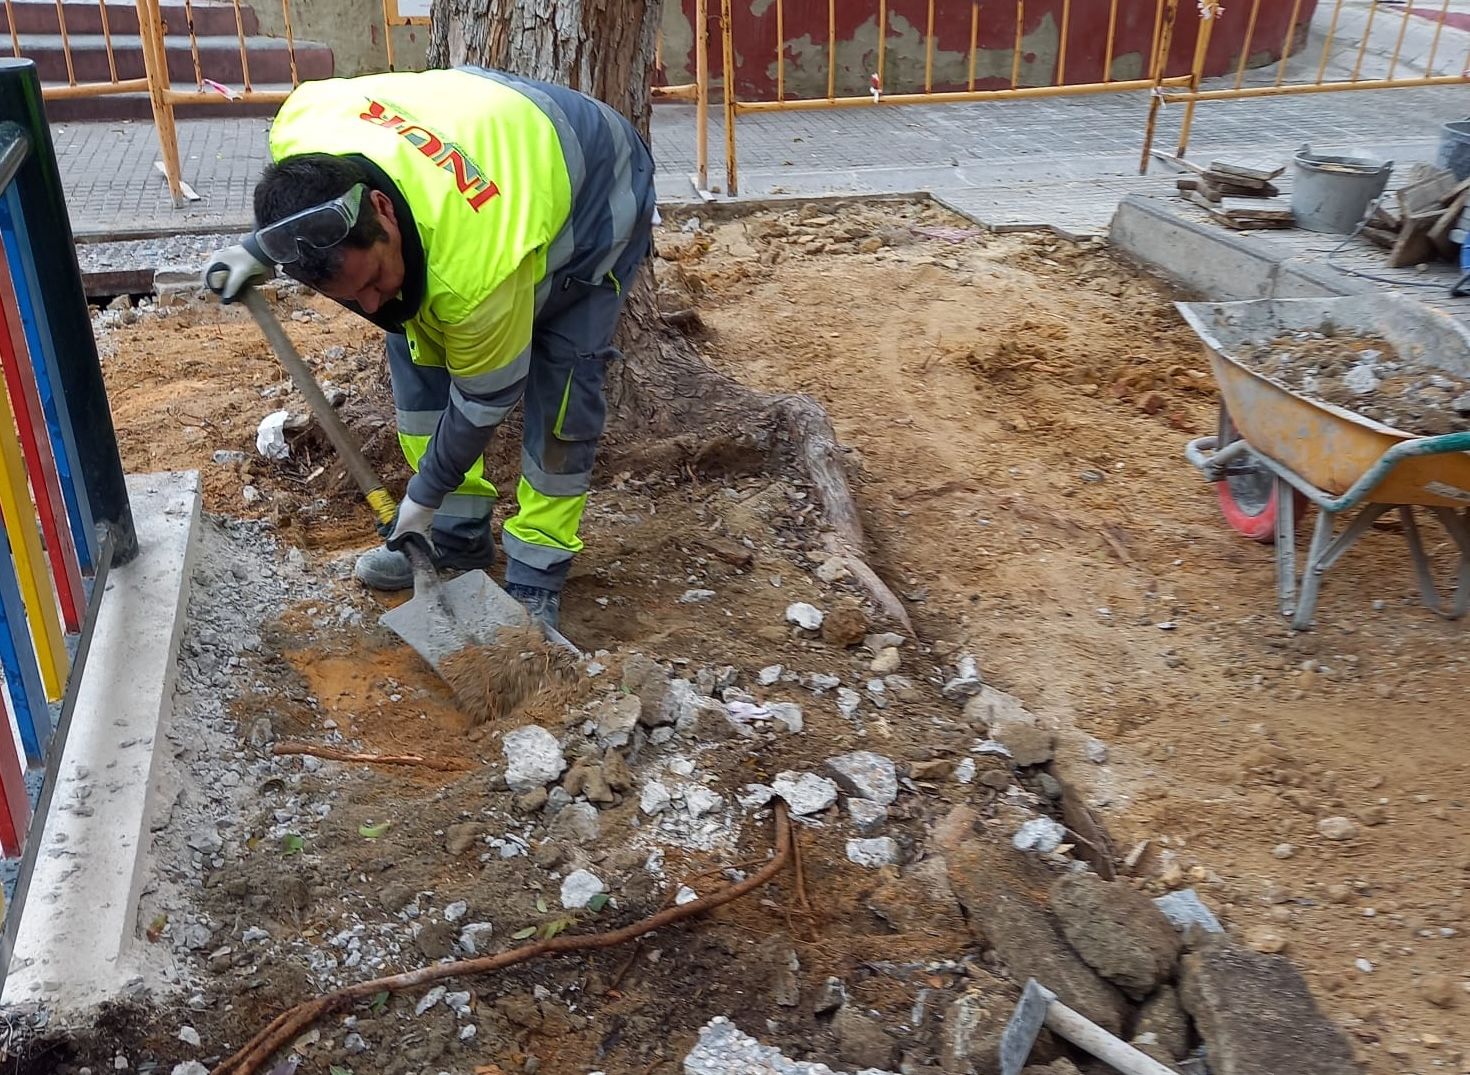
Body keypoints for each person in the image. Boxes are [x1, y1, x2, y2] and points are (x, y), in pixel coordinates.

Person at [204, 67, 656, 631]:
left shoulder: (475, 267)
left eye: (372, 280)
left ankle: (536, 571)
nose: (370, 306)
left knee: (563, 385)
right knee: (416, 363)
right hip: (483, 142)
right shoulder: (302, 123)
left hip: (594, 183)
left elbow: (484, 402)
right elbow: (303, 210)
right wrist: (258, 250)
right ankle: (455, 538)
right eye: (353, 296)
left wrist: (419, 496)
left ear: (383, 211)